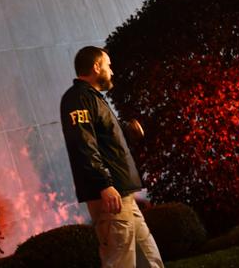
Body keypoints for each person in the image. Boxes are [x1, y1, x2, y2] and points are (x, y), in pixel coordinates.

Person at [60, 46, 163, 268]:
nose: (112, 71)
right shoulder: (78, 99)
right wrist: (104, 184)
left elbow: (102, 136)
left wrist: (126, 130)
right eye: (108, 65)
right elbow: (83, 144)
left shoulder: (93, 99)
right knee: (120, 261)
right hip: (110, 197)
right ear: (96, 67)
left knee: (149, 259)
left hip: (122, 196)